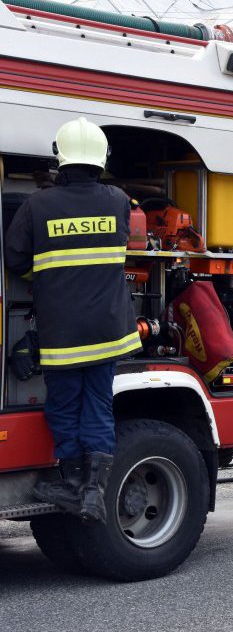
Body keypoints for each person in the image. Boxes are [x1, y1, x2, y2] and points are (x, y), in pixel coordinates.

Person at [5, 117, 140, 523]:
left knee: (64, 407)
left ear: (59, 160)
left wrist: (45, 277)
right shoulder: (118, 200)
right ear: (100, 159)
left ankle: (72, 481)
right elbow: (124, 245)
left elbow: (14, 260)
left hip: (62, 333)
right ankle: (94, 492)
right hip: (109, 332)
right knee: (98, 405)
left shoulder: (37, 205)